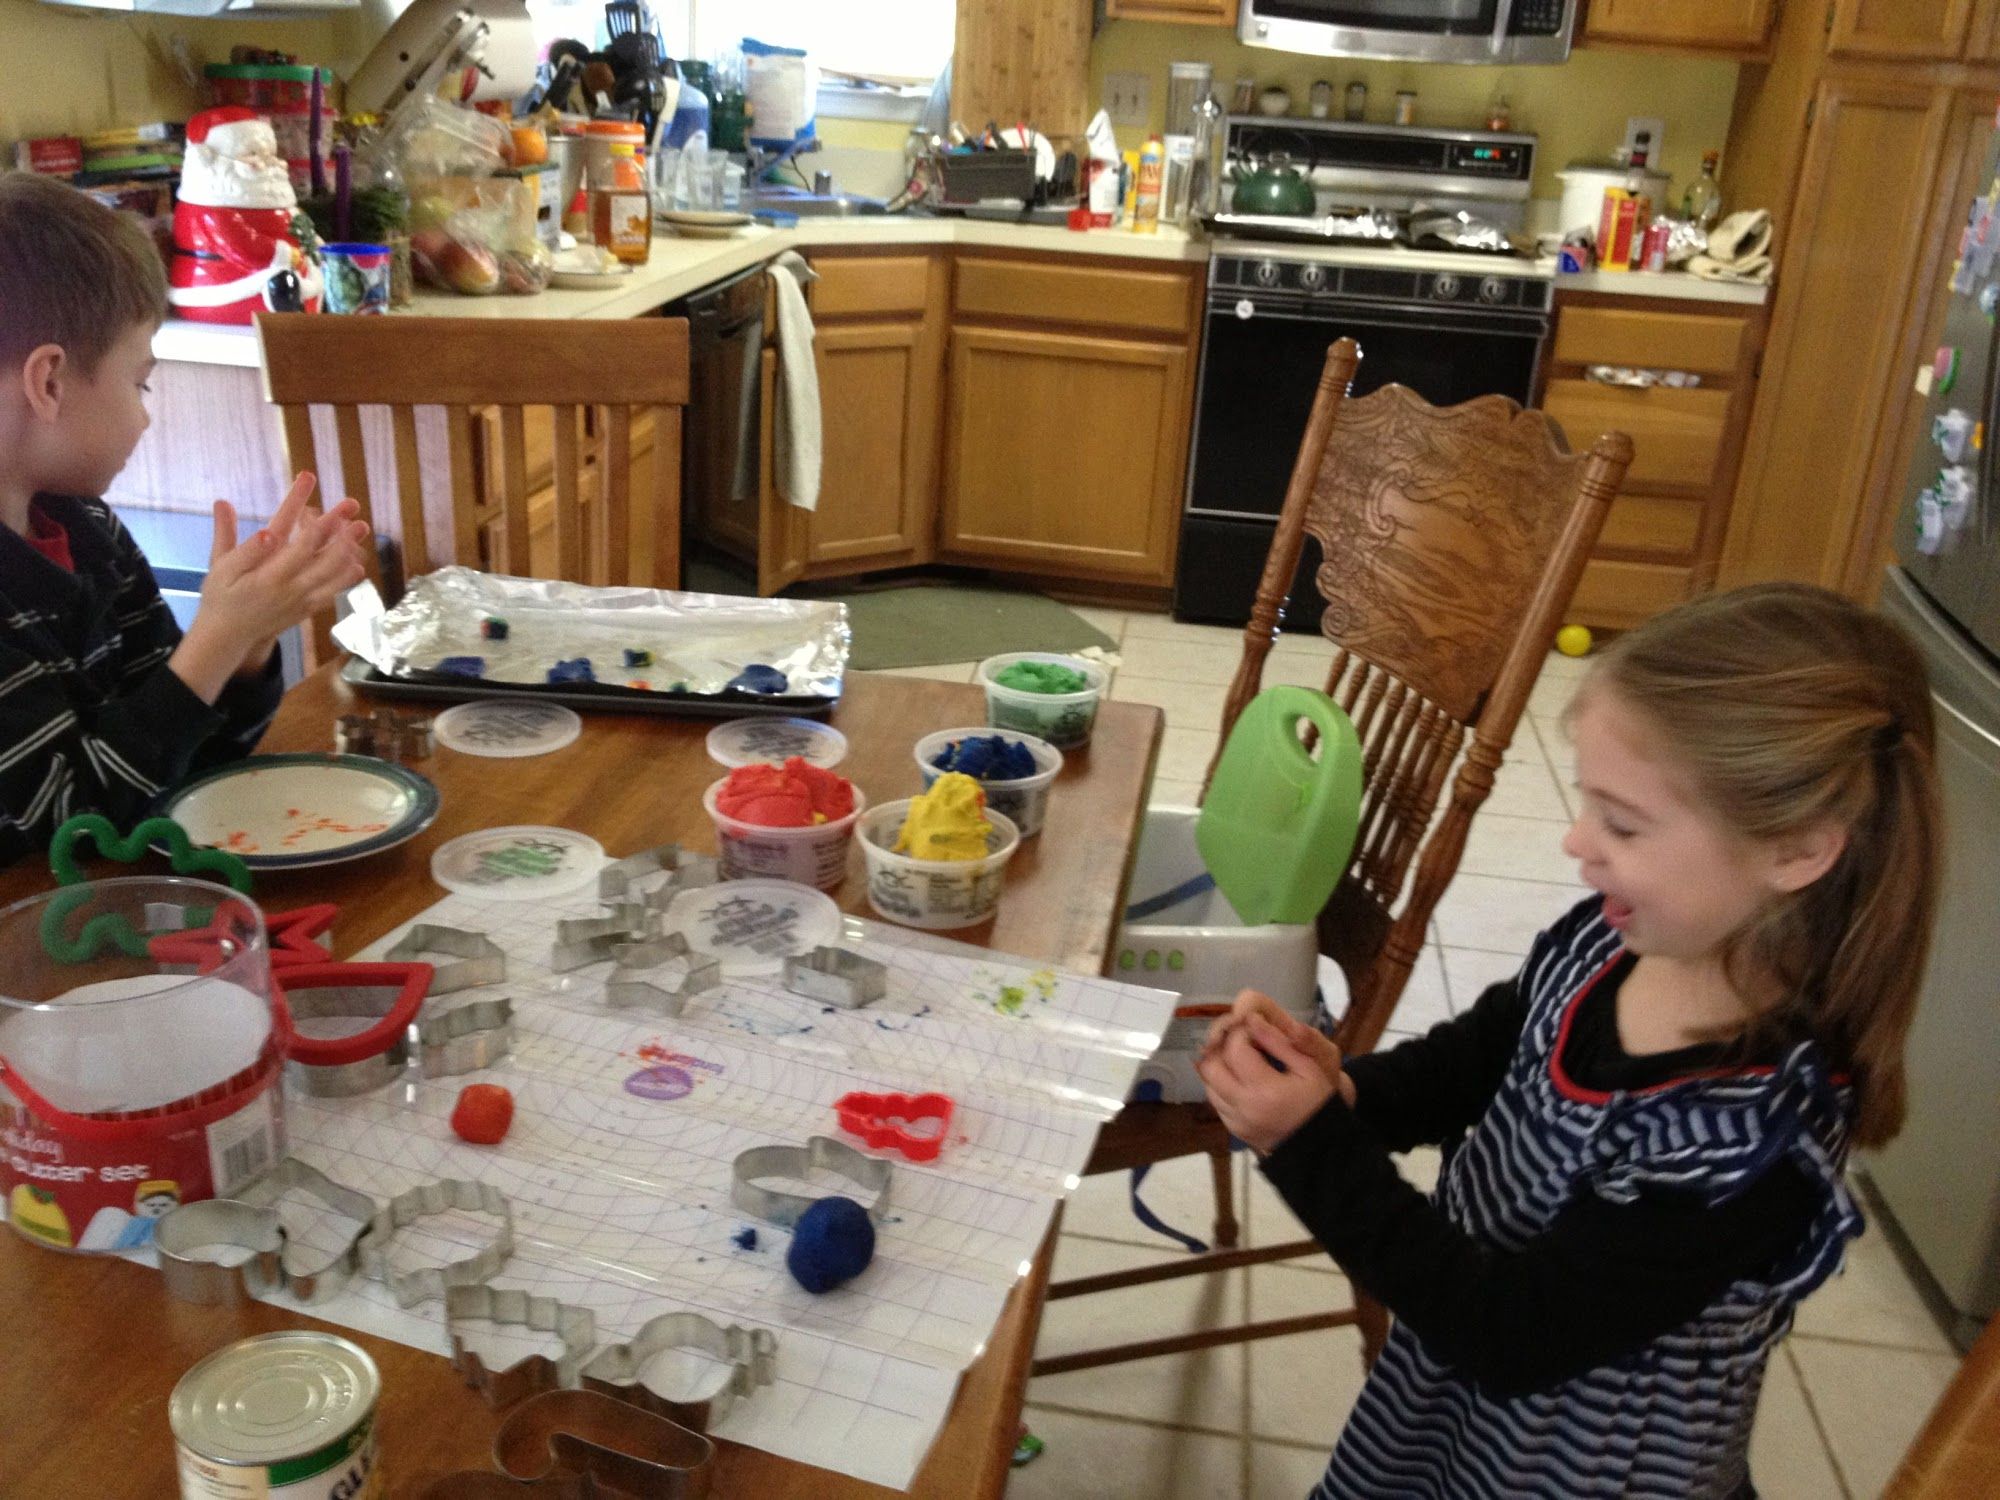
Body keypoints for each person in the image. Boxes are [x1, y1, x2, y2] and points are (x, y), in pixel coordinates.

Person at [1198, 583, 1943, 1500]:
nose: (1577, 841)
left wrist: (1311, 1147)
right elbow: (1481, 1055)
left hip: (1578, 1464)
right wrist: (1351, 1094)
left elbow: (1513, 1334)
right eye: (1590, 804)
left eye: (1623, 823)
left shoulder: (1745, 1148)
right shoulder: (1613, 937)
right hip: (1453, 1398)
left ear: (1795, 849)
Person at [0, 172, 368, 862]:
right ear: (48, 382)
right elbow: (74, 834)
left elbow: (181, 775)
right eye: (139, 381)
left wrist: (245, 643)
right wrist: (214, 641)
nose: (145, 413)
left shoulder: (90, 534)